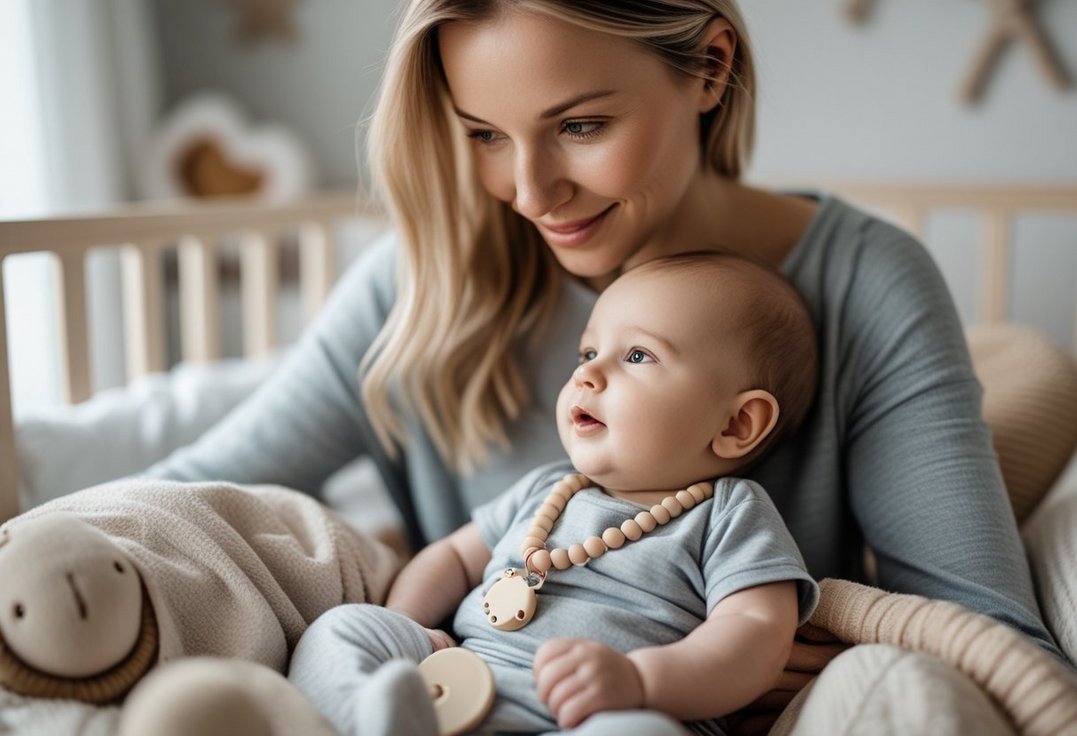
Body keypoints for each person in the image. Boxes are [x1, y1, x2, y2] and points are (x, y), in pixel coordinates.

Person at [146, 0, 1063, 727]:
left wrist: (716, 661)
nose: (531, 193)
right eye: (484, 135)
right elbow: (196, 496)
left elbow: (979, 635)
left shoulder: (862, 282)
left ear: (710, 68)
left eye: (579, 126)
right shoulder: (425, 279)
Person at [286, 252, 821, 736]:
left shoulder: (728, 514)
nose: (587, 372)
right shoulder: (548, 489)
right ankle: (370, 715)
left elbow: (755, 636)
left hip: (600, 715)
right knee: (343, 629)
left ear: (737, 423)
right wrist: (406, 630)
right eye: (589, 350)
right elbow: (451, 557)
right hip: (455, 685)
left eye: (637, 356)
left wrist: (640, 682)